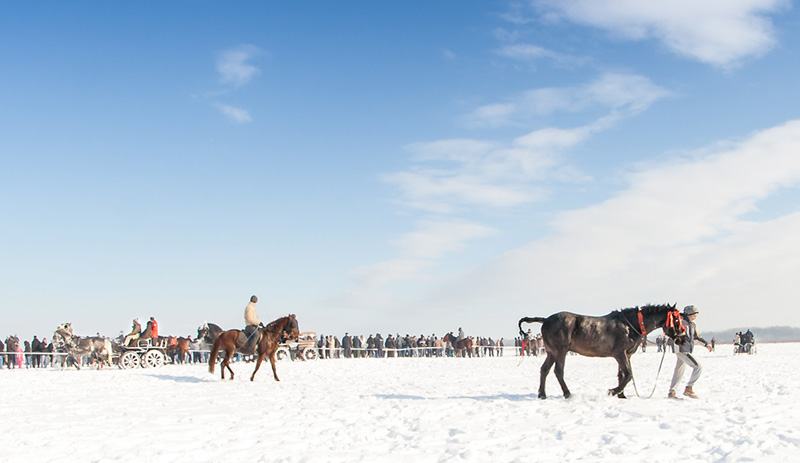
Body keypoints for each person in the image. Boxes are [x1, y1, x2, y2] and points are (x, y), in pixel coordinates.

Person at [668, 305, 713, 399]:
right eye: (693, 315)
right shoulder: (680, 321)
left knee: (679, 371)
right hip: (682, 349)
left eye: (696, 316)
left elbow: (696, 337)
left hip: (686, 349)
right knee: (698, 367)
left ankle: (672, 392)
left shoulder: (692, 324)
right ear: (688, 314)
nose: (695, 317)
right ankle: (689, 388)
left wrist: (706, 344)